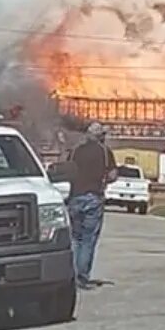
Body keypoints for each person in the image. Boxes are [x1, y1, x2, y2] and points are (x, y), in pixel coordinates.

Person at [65, 120, 114, 291]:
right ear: (100, 136)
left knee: (75, 238)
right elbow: (112, 174)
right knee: (88, 239)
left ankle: (71, 275)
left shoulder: (75, 150)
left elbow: (66, 171)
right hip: (93, 198)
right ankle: (82, 277)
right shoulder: (105, 152)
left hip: (74, 197)